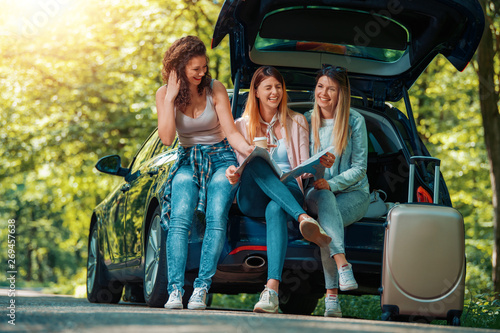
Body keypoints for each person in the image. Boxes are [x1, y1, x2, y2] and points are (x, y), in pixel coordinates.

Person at [156, 36, 253, 310]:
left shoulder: (215, 88)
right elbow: (166, 137)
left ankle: (201, 288)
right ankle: (175, 290)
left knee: (216, 214)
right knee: (180, 217)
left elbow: (231, 133)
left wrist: (251, 153)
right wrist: (172, 97)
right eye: (195, 68)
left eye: (204, 67)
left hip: (221, 157)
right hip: (188, 160)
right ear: (179, 67)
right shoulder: (164, 94)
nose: (201, 73)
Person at [225, 66, 332, 314]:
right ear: (256, 92)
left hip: (287, 188)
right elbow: (234, 165)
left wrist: (319, 167)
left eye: (278, 86)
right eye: (268, 87)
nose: (275, 92)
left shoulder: (297, 121)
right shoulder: (241, 125)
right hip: (252, 194)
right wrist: (231, 173)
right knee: (257, 159)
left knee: (276, 208)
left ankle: (271, 291)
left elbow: (304, 170)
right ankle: (303, 218)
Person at [304, 65, 370, 317]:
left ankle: (332, 298)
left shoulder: (355, 121)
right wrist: (318, 174)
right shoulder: (307, 120)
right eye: (320, 86)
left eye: (331, 88)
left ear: (341, 93)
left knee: (325, 224)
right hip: (317, 193)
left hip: (353, 194)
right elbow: (302, 165)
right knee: (325, 203)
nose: (324, 93)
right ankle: (342, 265)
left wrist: (333, 183)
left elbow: (359, 168)